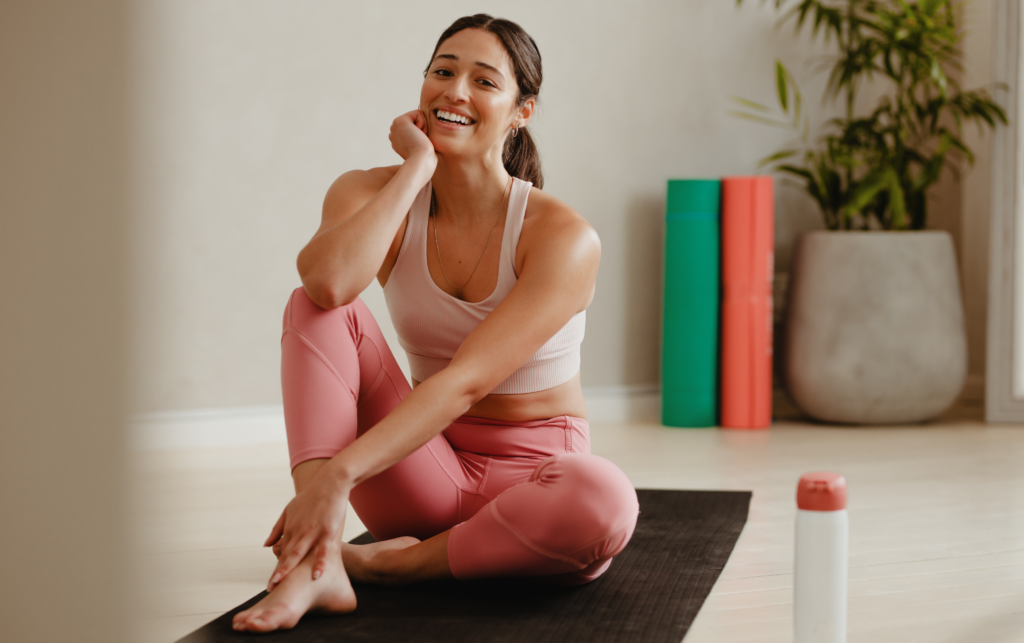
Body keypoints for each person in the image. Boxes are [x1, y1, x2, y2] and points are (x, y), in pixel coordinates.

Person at [232, 14, 640, 633]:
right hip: (424, 470)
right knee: (314, 306)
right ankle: (317, 562)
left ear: (520, 111)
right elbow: (329, 284)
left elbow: (466, 384)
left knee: (604, 499)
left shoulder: (562, 235)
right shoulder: (371, 191)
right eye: (443, 72)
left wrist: (339, 478)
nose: (455, 91)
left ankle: (372, 567)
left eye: (484, 81)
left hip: (533, 483)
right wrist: (417, 170)